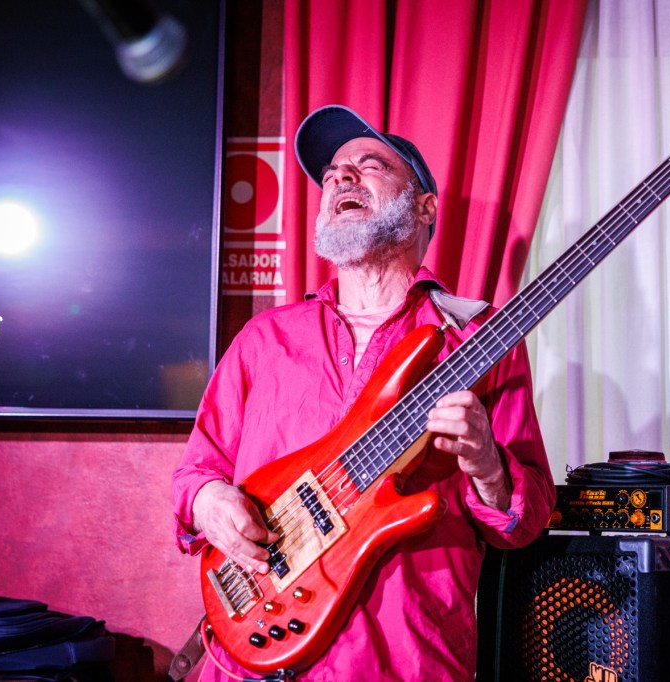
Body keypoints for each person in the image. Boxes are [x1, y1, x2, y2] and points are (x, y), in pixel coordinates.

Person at [171, 105, 554, 681]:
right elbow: (194, 476)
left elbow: (525, 521)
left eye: (369, 165)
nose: (341, 178)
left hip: (401, 661)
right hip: (249, 657)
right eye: (331, 174)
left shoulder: (482, 340)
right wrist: (209, 504)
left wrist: (487, 466)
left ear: (424, 207)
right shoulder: (265, 340)